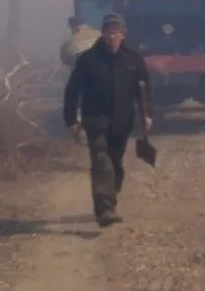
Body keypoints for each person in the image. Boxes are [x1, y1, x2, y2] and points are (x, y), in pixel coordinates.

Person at [62, 13, 153, 227]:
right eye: (109, 31)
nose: (112, 34)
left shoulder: (133, 59)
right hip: (95, 118)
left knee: (116, 164)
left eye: (117, 31)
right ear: (102, 34)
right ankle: (104, 209)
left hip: (122, 119)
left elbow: (145, 89)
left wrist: (147, 114)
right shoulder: (88, 59)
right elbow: (72, 90)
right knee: (101, 160)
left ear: (123, 35)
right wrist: (71, 118)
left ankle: (110, 201)